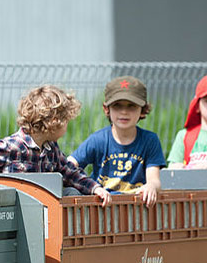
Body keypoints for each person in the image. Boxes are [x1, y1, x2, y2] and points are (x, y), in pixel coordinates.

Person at [0, 85, 112, 206]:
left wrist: (95, 188)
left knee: (72, 192)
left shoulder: (51, 149)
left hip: (45, 213)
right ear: (54, 121)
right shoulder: (13, 147)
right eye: (66, 120)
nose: (67, 126)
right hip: (16, 213)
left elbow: (71, 172)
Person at [68, 76, 166, 207]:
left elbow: (154, 179)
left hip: (137, 207)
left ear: (142, 110)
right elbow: (69, 166)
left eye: (131, 106)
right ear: (106, 109)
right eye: (117, 106)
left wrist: (151, 187)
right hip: (101, 206)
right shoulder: (98, 140)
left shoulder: (150, 141)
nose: (124, 112)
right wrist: (89, 187)